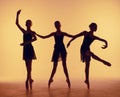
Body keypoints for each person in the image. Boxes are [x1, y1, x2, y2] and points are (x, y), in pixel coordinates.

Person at [67, 23, 111, 89]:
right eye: (95, 27)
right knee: (91, 54)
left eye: (96, 27)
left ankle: (87, 80)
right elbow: (76, 36)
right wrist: (69, 42)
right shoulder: (85, 33)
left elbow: (104, 40)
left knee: (87, 66)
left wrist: (106, 44)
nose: (96, 28)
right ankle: (102, 61)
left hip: (87, 49)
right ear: (91, 27)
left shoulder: (94, 37)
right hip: (83, 49)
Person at [36, 21, 74, 88]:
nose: (57, 26)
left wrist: (81, 34)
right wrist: (36, 34)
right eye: (56, 25)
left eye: (58, 25)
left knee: (64, 66)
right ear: (55, 26)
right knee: (54, 66)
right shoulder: (54, 33)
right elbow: (44, 37)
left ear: (60, 25)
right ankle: (50, 79)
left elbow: (72, 36)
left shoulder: (63, 33)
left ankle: (68, 79)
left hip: (62, 49)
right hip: (56, 49)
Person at [16, 10, 37, 91]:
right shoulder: (24, 32)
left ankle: (27, 80)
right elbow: (17, 24)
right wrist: (17, 15)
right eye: (27, 23)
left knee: (30, 67)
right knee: (27, 67)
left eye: (29, 23)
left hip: (29, 49)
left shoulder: (32, 32)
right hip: (25, 49)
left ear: (31, 24)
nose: (28, 24)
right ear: (26, 24)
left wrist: (26, 43)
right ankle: (30, 79)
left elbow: (35, 39)